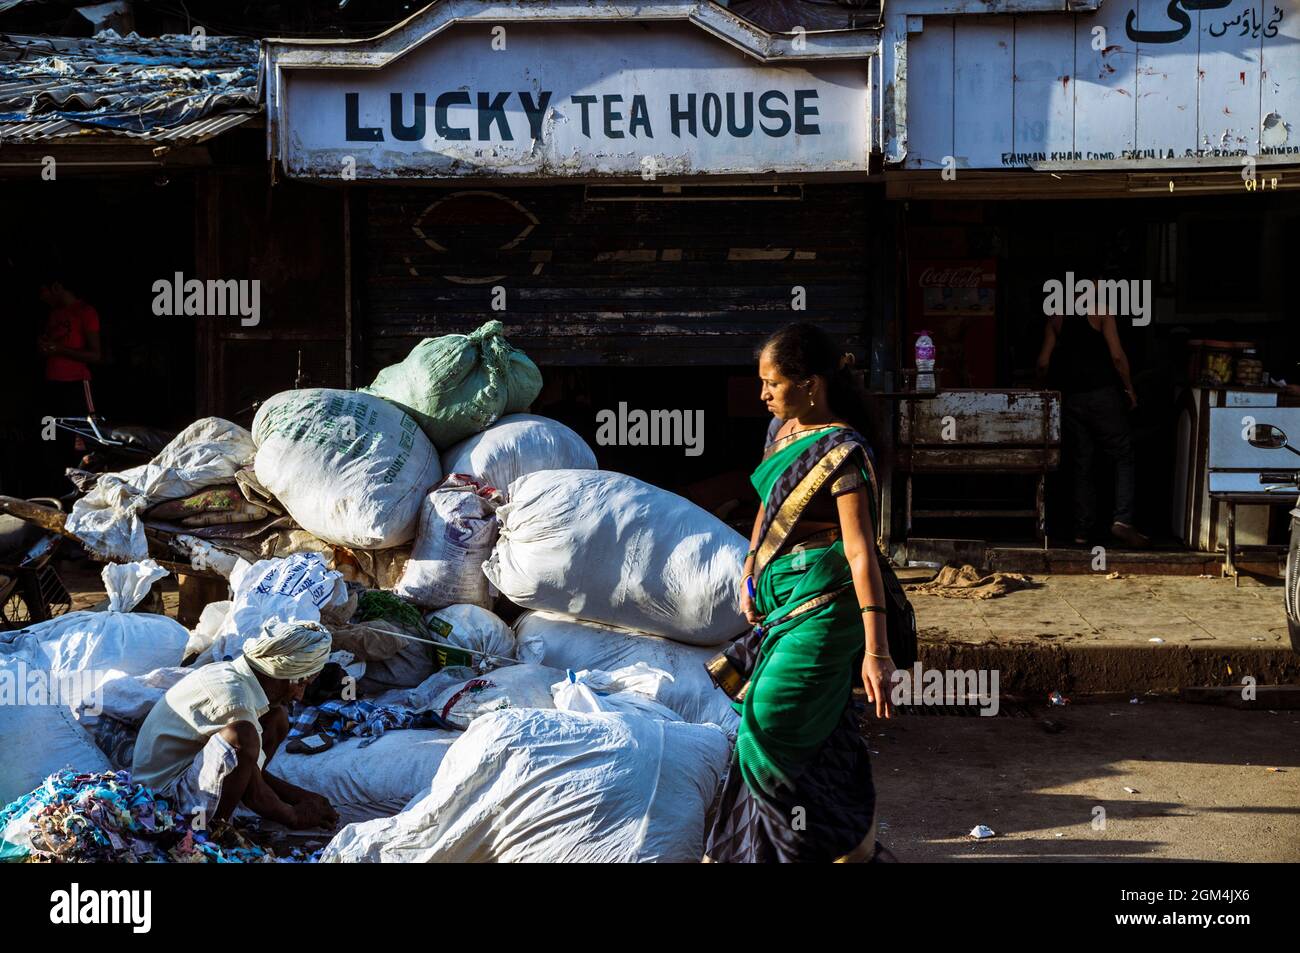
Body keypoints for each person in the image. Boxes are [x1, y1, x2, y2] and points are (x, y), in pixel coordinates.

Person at [703, 322, 894, 863]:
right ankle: (853, 846)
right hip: (779, 603)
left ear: (810, 384)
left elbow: (861, 553)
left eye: (773, 383)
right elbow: (766, 505)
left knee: (767, 727)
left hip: (826, 610)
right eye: (761, 382)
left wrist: (876, 654)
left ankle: (785, 849)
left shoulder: (842, 450)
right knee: (825, 733)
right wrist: (749, 571)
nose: (762, 394)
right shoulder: (780, 432)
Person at [132, 620, 340, 830]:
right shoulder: (235, 701)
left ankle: (228, 805)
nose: (299, 696)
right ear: (291, 678)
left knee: (277, 718)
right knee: (243, 736)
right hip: (160, 800)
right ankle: (213, 830)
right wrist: (294, 816)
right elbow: (254, 793)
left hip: (183, 770)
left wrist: (299, 797)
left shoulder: (234, 674)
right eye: (303, 685)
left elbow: (251, 773)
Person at [1036, 277, 1149, 548]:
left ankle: (1081, 531)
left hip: (1072, 399)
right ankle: (1122, 521)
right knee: (1123, 455)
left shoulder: (1056, 317)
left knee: (1082, 462)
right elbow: (1118, 357)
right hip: (1103, 396)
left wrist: (1037, 391)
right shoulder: (1101, 311)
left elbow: (1042, 362)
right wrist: (1130, 389)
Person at [36, 274, 101, 491]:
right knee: (51, 438)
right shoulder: (54, 314)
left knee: (83, 441)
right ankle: (56, 490)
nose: (41, 297)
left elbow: (95, 355)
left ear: (57, 285)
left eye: (43, 291)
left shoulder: (85, 312)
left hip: (76, 385)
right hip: (52, 386)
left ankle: (83, 491)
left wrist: (59, 349)